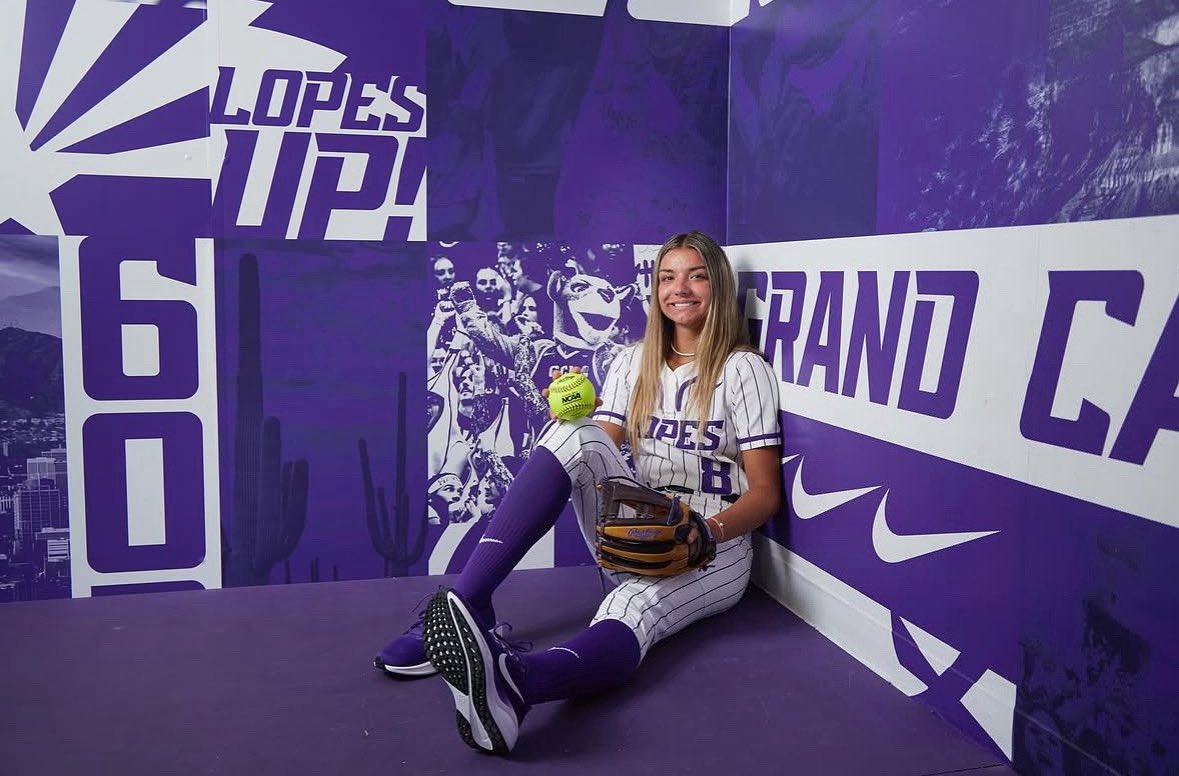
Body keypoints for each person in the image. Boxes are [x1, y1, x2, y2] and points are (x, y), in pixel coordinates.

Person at [374, 231, 783, 754]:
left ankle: (516, 683)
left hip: (714, 541)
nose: (680, 288)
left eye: (696, 276)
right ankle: (466, 605)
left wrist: (708, 531)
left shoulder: (743, 368)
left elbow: (765, 493)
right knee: (572, 432)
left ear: (718, 287)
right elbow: (594, 448)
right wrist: (569, 418)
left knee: (632, 606)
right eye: (667, 277)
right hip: (637, 525)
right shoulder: (634, 360)